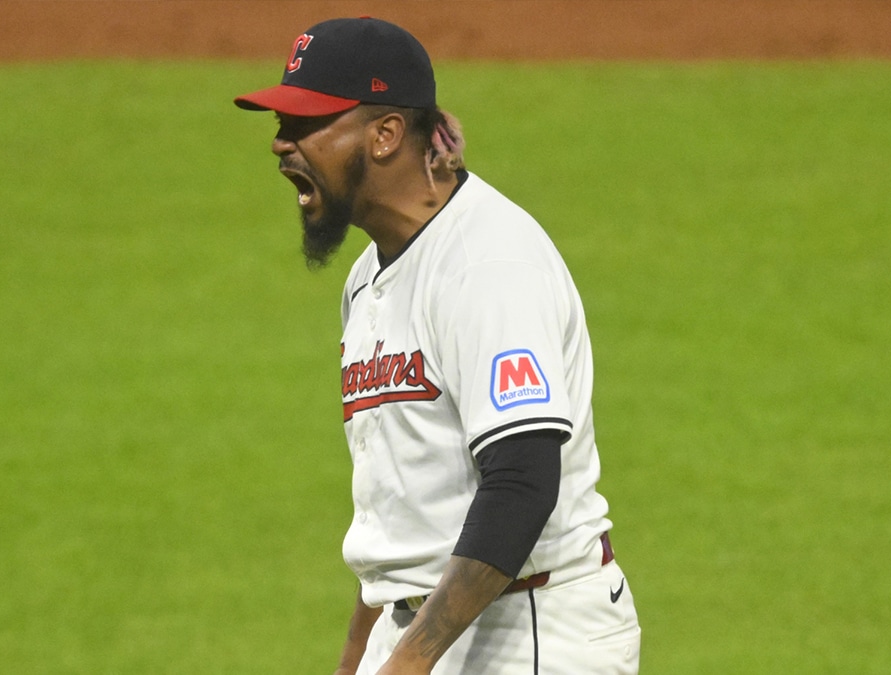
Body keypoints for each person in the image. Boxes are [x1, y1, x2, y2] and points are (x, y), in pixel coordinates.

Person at [234, 17, 640, 675]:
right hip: (423, 628)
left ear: (386, 133)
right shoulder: (369, 275)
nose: (282, 145)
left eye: (306, 125)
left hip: (530, 632)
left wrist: (408, 662)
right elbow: (402, 506)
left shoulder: (489, 262)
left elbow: (521, 480)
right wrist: (359, 658)